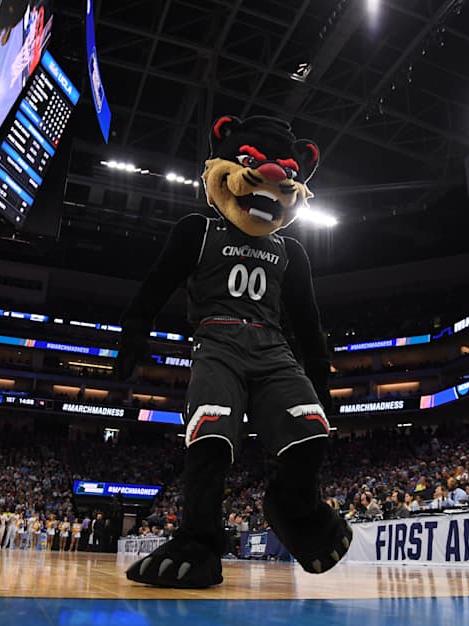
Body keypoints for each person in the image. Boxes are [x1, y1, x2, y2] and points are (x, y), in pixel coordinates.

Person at [117, 115, 351, 588]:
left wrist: (319, 375)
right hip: (217, 341)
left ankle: (294, 511)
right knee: (213, 435)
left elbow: (308, 321)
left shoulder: (292, 251)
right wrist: (132, 336)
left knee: (311, 431)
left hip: (272, 346)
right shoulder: (197, 229)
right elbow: (155, 285)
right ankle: (198, 542)